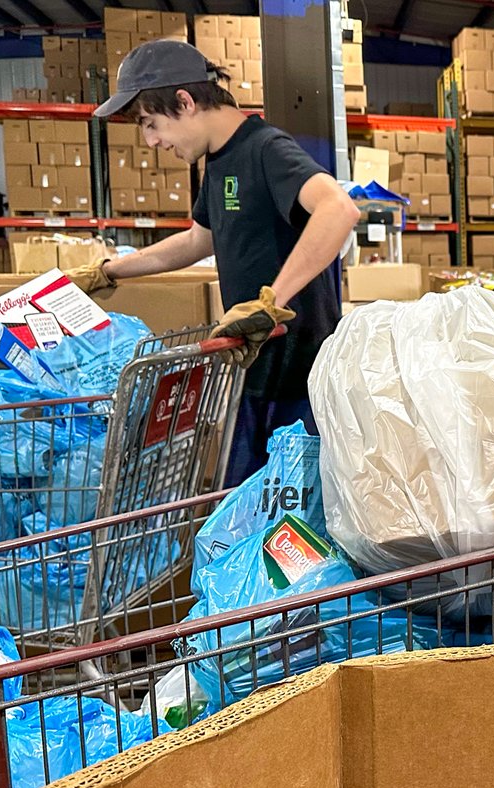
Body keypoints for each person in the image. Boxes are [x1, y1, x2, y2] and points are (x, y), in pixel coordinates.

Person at [67, 40, 360, 486]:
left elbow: (338, 209)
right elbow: (199, 239)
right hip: (253, 371)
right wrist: (108, 270)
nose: (151, 141)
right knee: (241, 515)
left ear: (184, 101)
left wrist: (269, 302)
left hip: (296, 380)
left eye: (151, 123)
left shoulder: (265, 148)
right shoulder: (219, 163)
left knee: (291, 522)